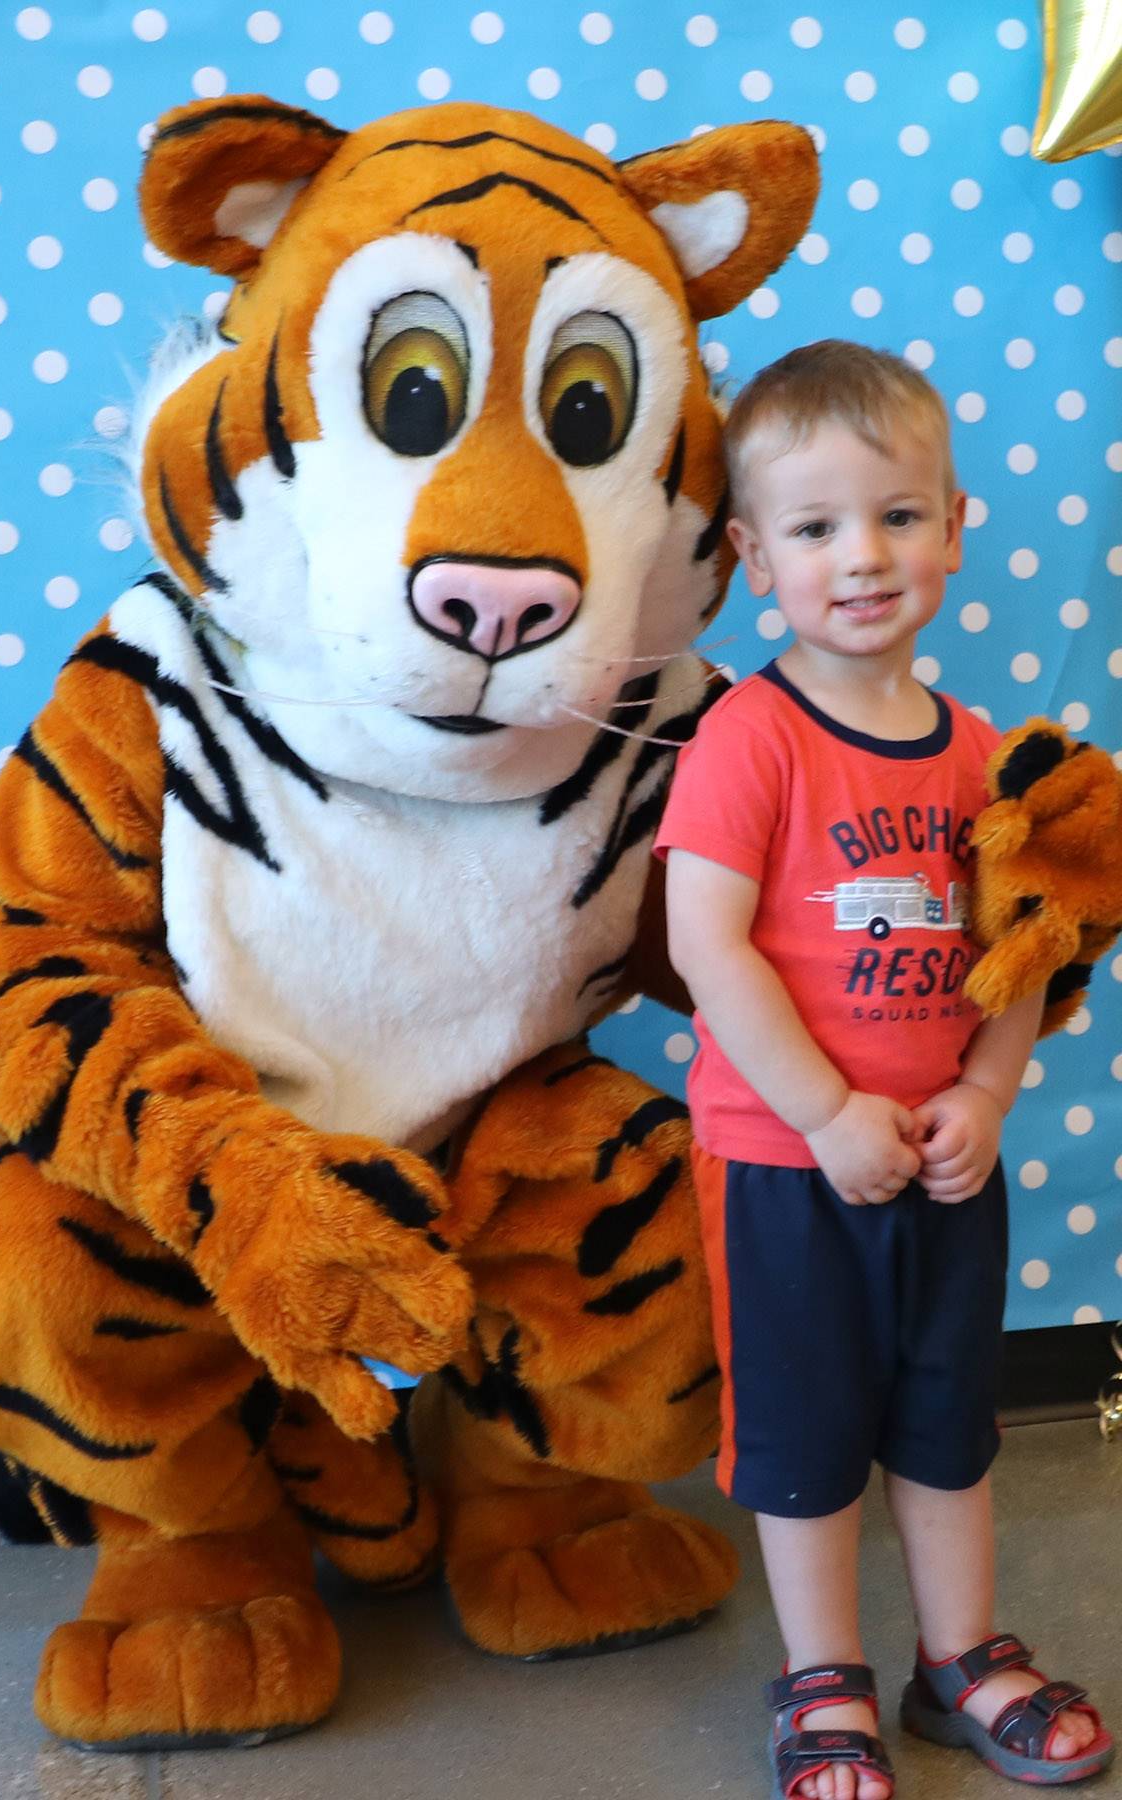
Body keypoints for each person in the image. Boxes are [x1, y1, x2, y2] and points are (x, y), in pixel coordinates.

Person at [655, 341, 1114, 1800]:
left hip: (940, 1162)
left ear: (956, 526)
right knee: (803, 1440)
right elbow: (706, 945)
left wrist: (984, 1093)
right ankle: (824, 1681)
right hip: (788, 1170)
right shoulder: (750, 735)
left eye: (899, 516)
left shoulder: (984, 753)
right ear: (750, 554)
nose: (863, 556)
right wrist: (825, 1109)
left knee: (945, 1417)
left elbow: (1023, 945)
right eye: (815, 528)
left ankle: (959, 1657)